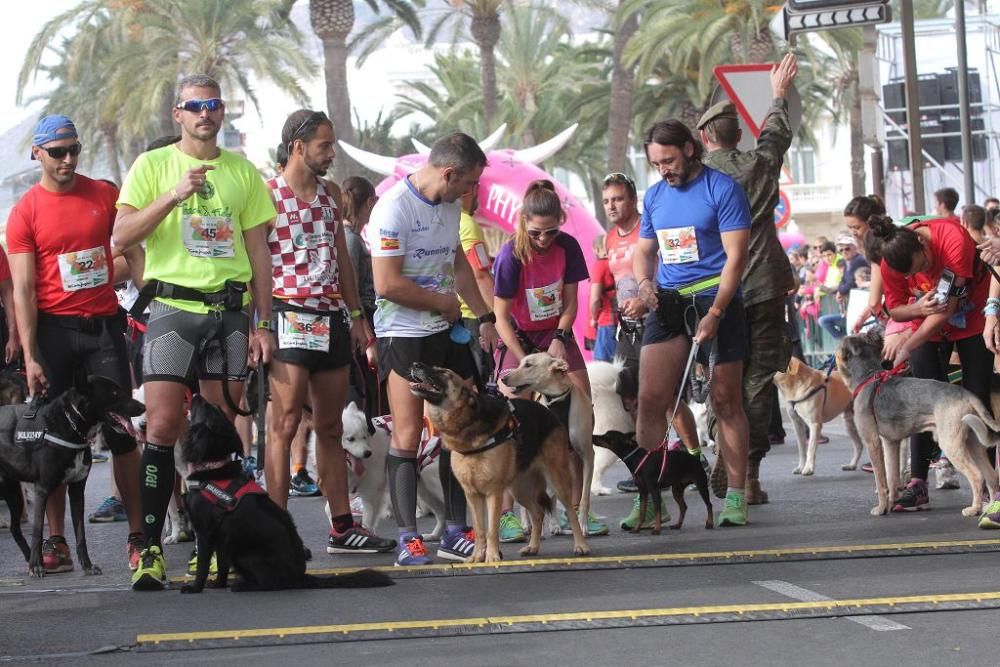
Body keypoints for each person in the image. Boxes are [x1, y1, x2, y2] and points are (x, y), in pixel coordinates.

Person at [114, 75, 277, 590]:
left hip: (228, 312)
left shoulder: (242, 172)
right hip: (172, 309)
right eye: (194, 106)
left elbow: (258, 255)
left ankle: (214, 546)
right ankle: (148, 548)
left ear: (222, 113)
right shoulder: (153, 166)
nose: (205, 114)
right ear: (177, 115)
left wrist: (264, 323)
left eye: (213, 105)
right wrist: (173, 195)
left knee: (218, 429)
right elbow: (121, 236)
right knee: (161, 427)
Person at [6, 114, 144, 573]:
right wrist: (29, 354)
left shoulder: (104, 195)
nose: (68, 160)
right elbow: (23, 291)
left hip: (103, 327)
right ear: (38, 154)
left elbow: (129, 249)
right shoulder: (25, 210)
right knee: (53, 440)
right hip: (54, 332)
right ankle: (59, 544)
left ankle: (140, 538)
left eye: (74, 150)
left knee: (122, 431)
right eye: (58, 152)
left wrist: (140, 292)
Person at [264, 109, 394, 554]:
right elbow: (256, 269)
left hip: (331, 319)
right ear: (298, 147)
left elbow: (342, 260)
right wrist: (259, 325)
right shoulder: (267, 197)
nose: (330, 153)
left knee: (331, 427)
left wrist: (358, 319)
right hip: (288, 315)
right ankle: (276, 530)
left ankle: (342, 526)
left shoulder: (331, 195)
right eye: (324, 145)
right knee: (283, 425)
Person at [367, 132, 499, 566]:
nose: (470, 193)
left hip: (447, 329)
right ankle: (409, 537)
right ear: (449, 172)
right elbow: (386, 284)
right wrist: (440, 303)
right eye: (467, 184)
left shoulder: (449, 205)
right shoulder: (393, 208)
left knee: (457, 428)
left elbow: (458, 264)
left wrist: (484, 318)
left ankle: (456, 530)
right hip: (404, 334)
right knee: (407, 435)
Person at [633, 119, 752, 526]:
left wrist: (717, 311)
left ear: (689, 148)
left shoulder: (723, 189)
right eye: (656, 163)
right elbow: (643, 251)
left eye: (668, 159)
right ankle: (651, 499)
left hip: (716, 297)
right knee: (650, 398)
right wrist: (646, 282)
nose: (664, 169)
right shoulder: (653, 197)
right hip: (669, 301)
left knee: (725, 400)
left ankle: (736, 494)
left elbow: (737, 258)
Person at [697, 52, 797, 504]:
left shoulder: (696, 181)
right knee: (757, 381)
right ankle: (749, 475)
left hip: (716, 292)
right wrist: (776, 96)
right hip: (766, 286)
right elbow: (776, 136)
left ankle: (725, 452)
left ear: (703, 138)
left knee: (722, 379)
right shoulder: (757, 165)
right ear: (738, 134)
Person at [492, 180, 608, 537]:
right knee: (510, 423)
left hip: (556, 335)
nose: (544, 239)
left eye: (551, 232)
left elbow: (571, 301)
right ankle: (508, 514)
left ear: (561, 221)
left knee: (578, 414)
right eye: (537, 233)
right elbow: (500, 316)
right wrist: (526, 360)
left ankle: (573, 509)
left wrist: (559, 338)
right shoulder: (511, 254)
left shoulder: (568, 246)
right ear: (523, 222)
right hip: (520, 339)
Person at [868, 214, 992, 512]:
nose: (923, 273)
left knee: (976, 395)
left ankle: (991, 489)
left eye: (922, 266)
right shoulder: (891, 260)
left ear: (922, 244)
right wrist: (916, 307)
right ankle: (918, 483)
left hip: (971, 316)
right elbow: (895, 311)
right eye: (914, 274)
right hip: (927, 323)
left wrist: (908, 345)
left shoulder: (952, 238)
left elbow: (948, 308)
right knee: (921, 400)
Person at [341, 175, 381, 425]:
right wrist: (368, 340)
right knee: (367, 396)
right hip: (361, 321)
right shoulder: (351, 239)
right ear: (369, 202)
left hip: (363, 319)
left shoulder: (351, 237)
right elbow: (351, 291)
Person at [458, 190, 496, 379]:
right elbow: (480, 275)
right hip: (475, 318)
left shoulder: (445, 221)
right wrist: (499, 318)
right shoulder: (468, 225)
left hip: (455, 317)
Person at [817, 233, 869, 340]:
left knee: (825, 321)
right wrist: (841, 291)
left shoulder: (858, 260)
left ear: (854, 248)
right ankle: (846, 343)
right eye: (841, 250)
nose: (844, 252)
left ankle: (846, 343)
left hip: (861, 307)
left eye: (847, 249)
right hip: (851, 306)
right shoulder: (846, 262)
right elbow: (842, 281)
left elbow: (850, 283)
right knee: (823, 321)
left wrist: (840, 291)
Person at [589, 235, 616, 362]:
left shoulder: (599, 266)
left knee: (603, 364)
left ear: (596, 249)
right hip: (623, 320)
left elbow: (595, 299)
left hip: (606, 320)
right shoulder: (617, 262)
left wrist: (594, 319)